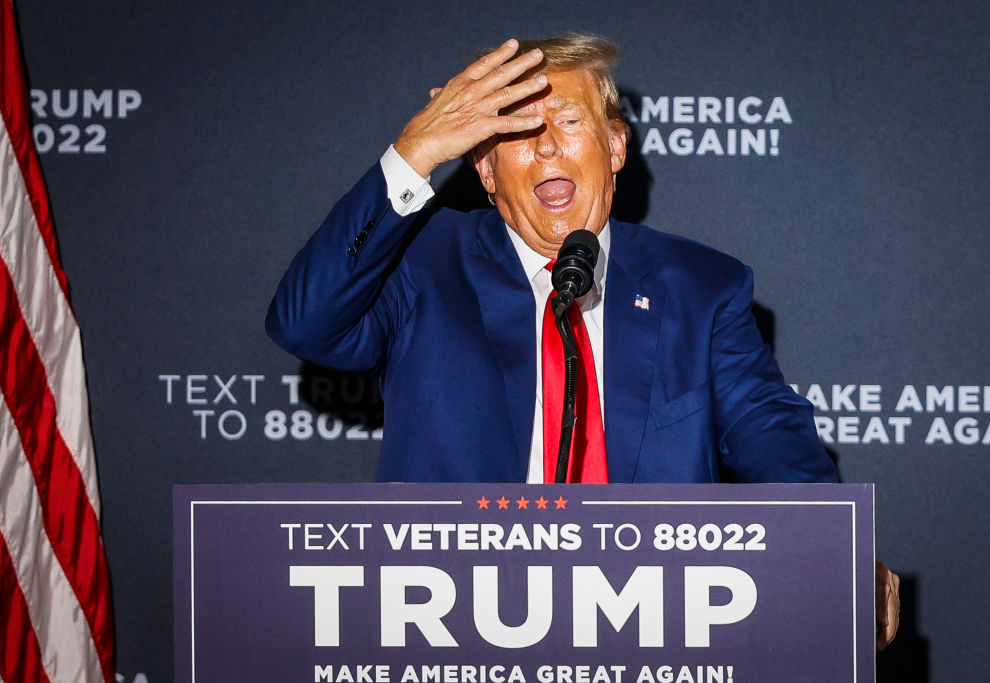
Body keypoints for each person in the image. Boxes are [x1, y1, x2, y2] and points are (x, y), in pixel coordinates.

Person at [266, 34, 898, 648]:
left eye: (567, 121)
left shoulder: (701, 288)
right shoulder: (424, 260)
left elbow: (770, 436)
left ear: (615, 147)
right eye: (514, 131)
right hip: (451, 629)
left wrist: (828, 548)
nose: (544, 148)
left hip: (651, 629)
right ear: (483, 167)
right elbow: (305, 324)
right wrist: (415, 153)